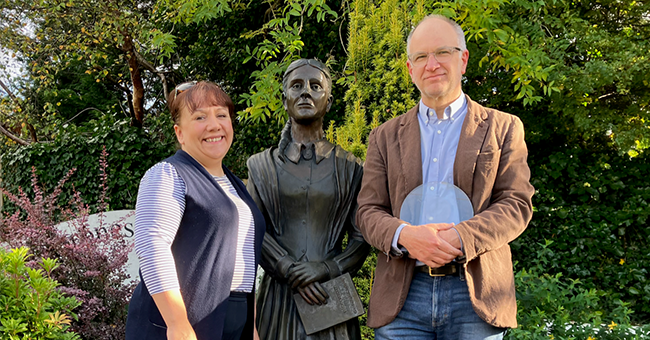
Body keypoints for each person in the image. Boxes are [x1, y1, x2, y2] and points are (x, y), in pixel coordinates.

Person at [356, 15, 535, 340]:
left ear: (463, 59)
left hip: (476, 295)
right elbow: (367, 211)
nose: (432, 64)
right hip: (402, 297)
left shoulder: (504, 128)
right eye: (421, 57)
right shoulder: (383, 137)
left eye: (443, 52)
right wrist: (405, 236)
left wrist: (460, 238)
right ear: (410, 69)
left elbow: (516, 205)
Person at [125, 81, 266, 340]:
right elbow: (152, 245)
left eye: (221, 115)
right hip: (184, 326)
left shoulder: (235, 187)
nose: (214, 125)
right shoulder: (167, 174)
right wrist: (177, 324)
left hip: (232, 322)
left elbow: (243, 264)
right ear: (179, 133)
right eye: (200, 117)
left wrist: (252, 327)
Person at [247, 59, 370, 340]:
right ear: (284, 99)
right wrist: (288, 269)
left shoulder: (351, 168)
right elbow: (254, 228)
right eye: (296, 85)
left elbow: (362, 237)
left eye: (315, 86)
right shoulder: (261, 166)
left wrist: (326, 269)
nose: (305, 92)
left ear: (328, 101)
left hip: (330, 296)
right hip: (278, 299)